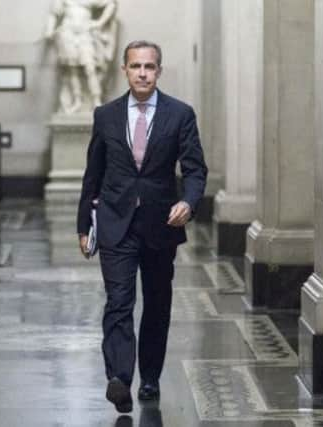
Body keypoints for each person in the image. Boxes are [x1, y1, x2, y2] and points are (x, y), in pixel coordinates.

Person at [77, 40, 207, 413]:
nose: (143, 73)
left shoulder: (180, 114)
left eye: (150, 67)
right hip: (116, 223)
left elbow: (196, 169)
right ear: (125, 70)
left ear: (159, 71)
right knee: (119, 301)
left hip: (160, 224)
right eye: (136, 66)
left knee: (156, 304)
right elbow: (93, 173)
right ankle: (119, 378)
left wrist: (189, 201)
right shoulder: (106, 115)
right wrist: (84, 223)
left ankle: (149, 377)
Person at [45, 0, 118, 114]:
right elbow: (54, 14)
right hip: (67, 32)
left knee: (90, 68)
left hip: (85, 33)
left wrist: (99, 22)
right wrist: (49, 30)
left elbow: (111, 4)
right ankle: (77, 100)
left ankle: (96, 100)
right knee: (72, 70)